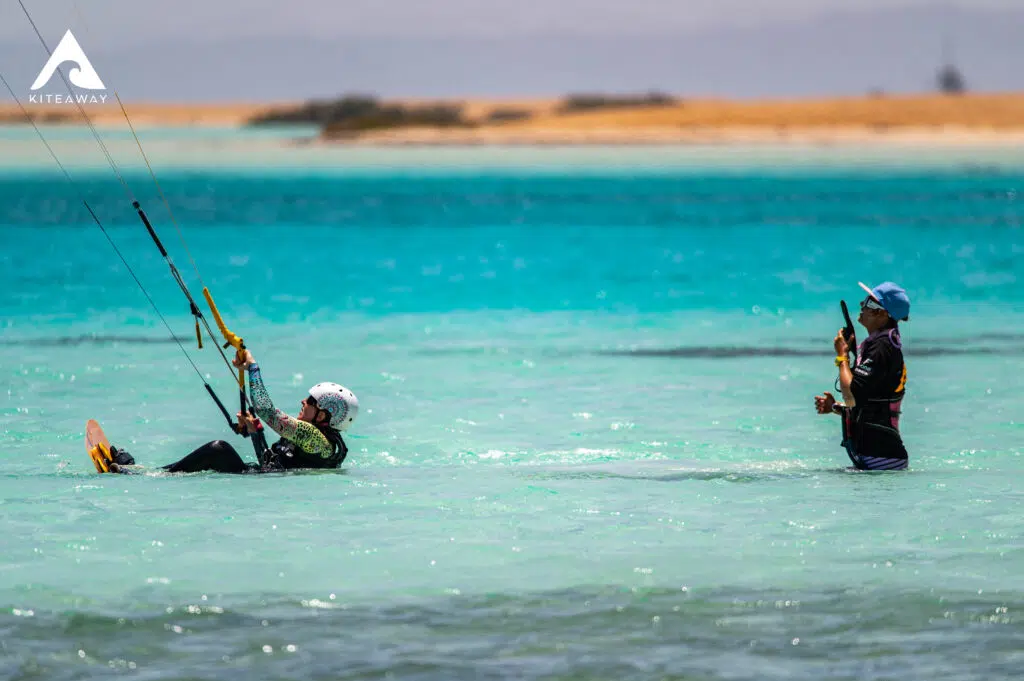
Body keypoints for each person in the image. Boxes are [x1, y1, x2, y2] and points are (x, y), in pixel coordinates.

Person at [109, 349, 358, 474]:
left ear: (323, 415)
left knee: (219, 448)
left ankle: (140, 475)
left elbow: (265, 408)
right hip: (260, 480)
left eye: (311, 401)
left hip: (259, 484)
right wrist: (255, 431)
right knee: (217, 452)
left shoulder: (317, 439)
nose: (303, 401)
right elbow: (270, 465)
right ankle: (141, 471)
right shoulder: (315, 439)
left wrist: (253, 367)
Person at [814, 281, 910, 471]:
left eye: (869, 302)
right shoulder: (881, 345)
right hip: (879, 458)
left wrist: (842, 356)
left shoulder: (882, 348)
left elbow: (852, 396)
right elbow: (869, 402)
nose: (862, 305)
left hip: (882, 459)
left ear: (882, 313)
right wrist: (834, 407)